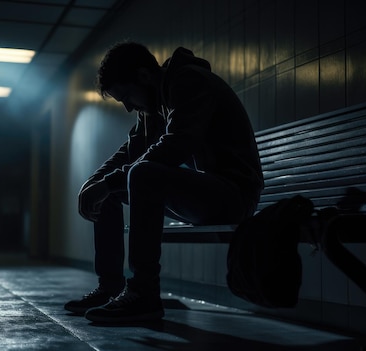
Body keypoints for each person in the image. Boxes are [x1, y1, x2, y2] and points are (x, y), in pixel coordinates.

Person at [64, 41, 264, 323]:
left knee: (141, 174)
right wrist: (94, 183)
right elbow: (128, 152)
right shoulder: (155, 106)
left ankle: (144, 294)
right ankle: (111, 288)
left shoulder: (189, 82)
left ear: (144, 76)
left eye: (126, 97)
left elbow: (177, 145)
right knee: (115, 186)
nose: (128, 108)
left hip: (234, 196)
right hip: (207, 195)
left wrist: (107, 183)